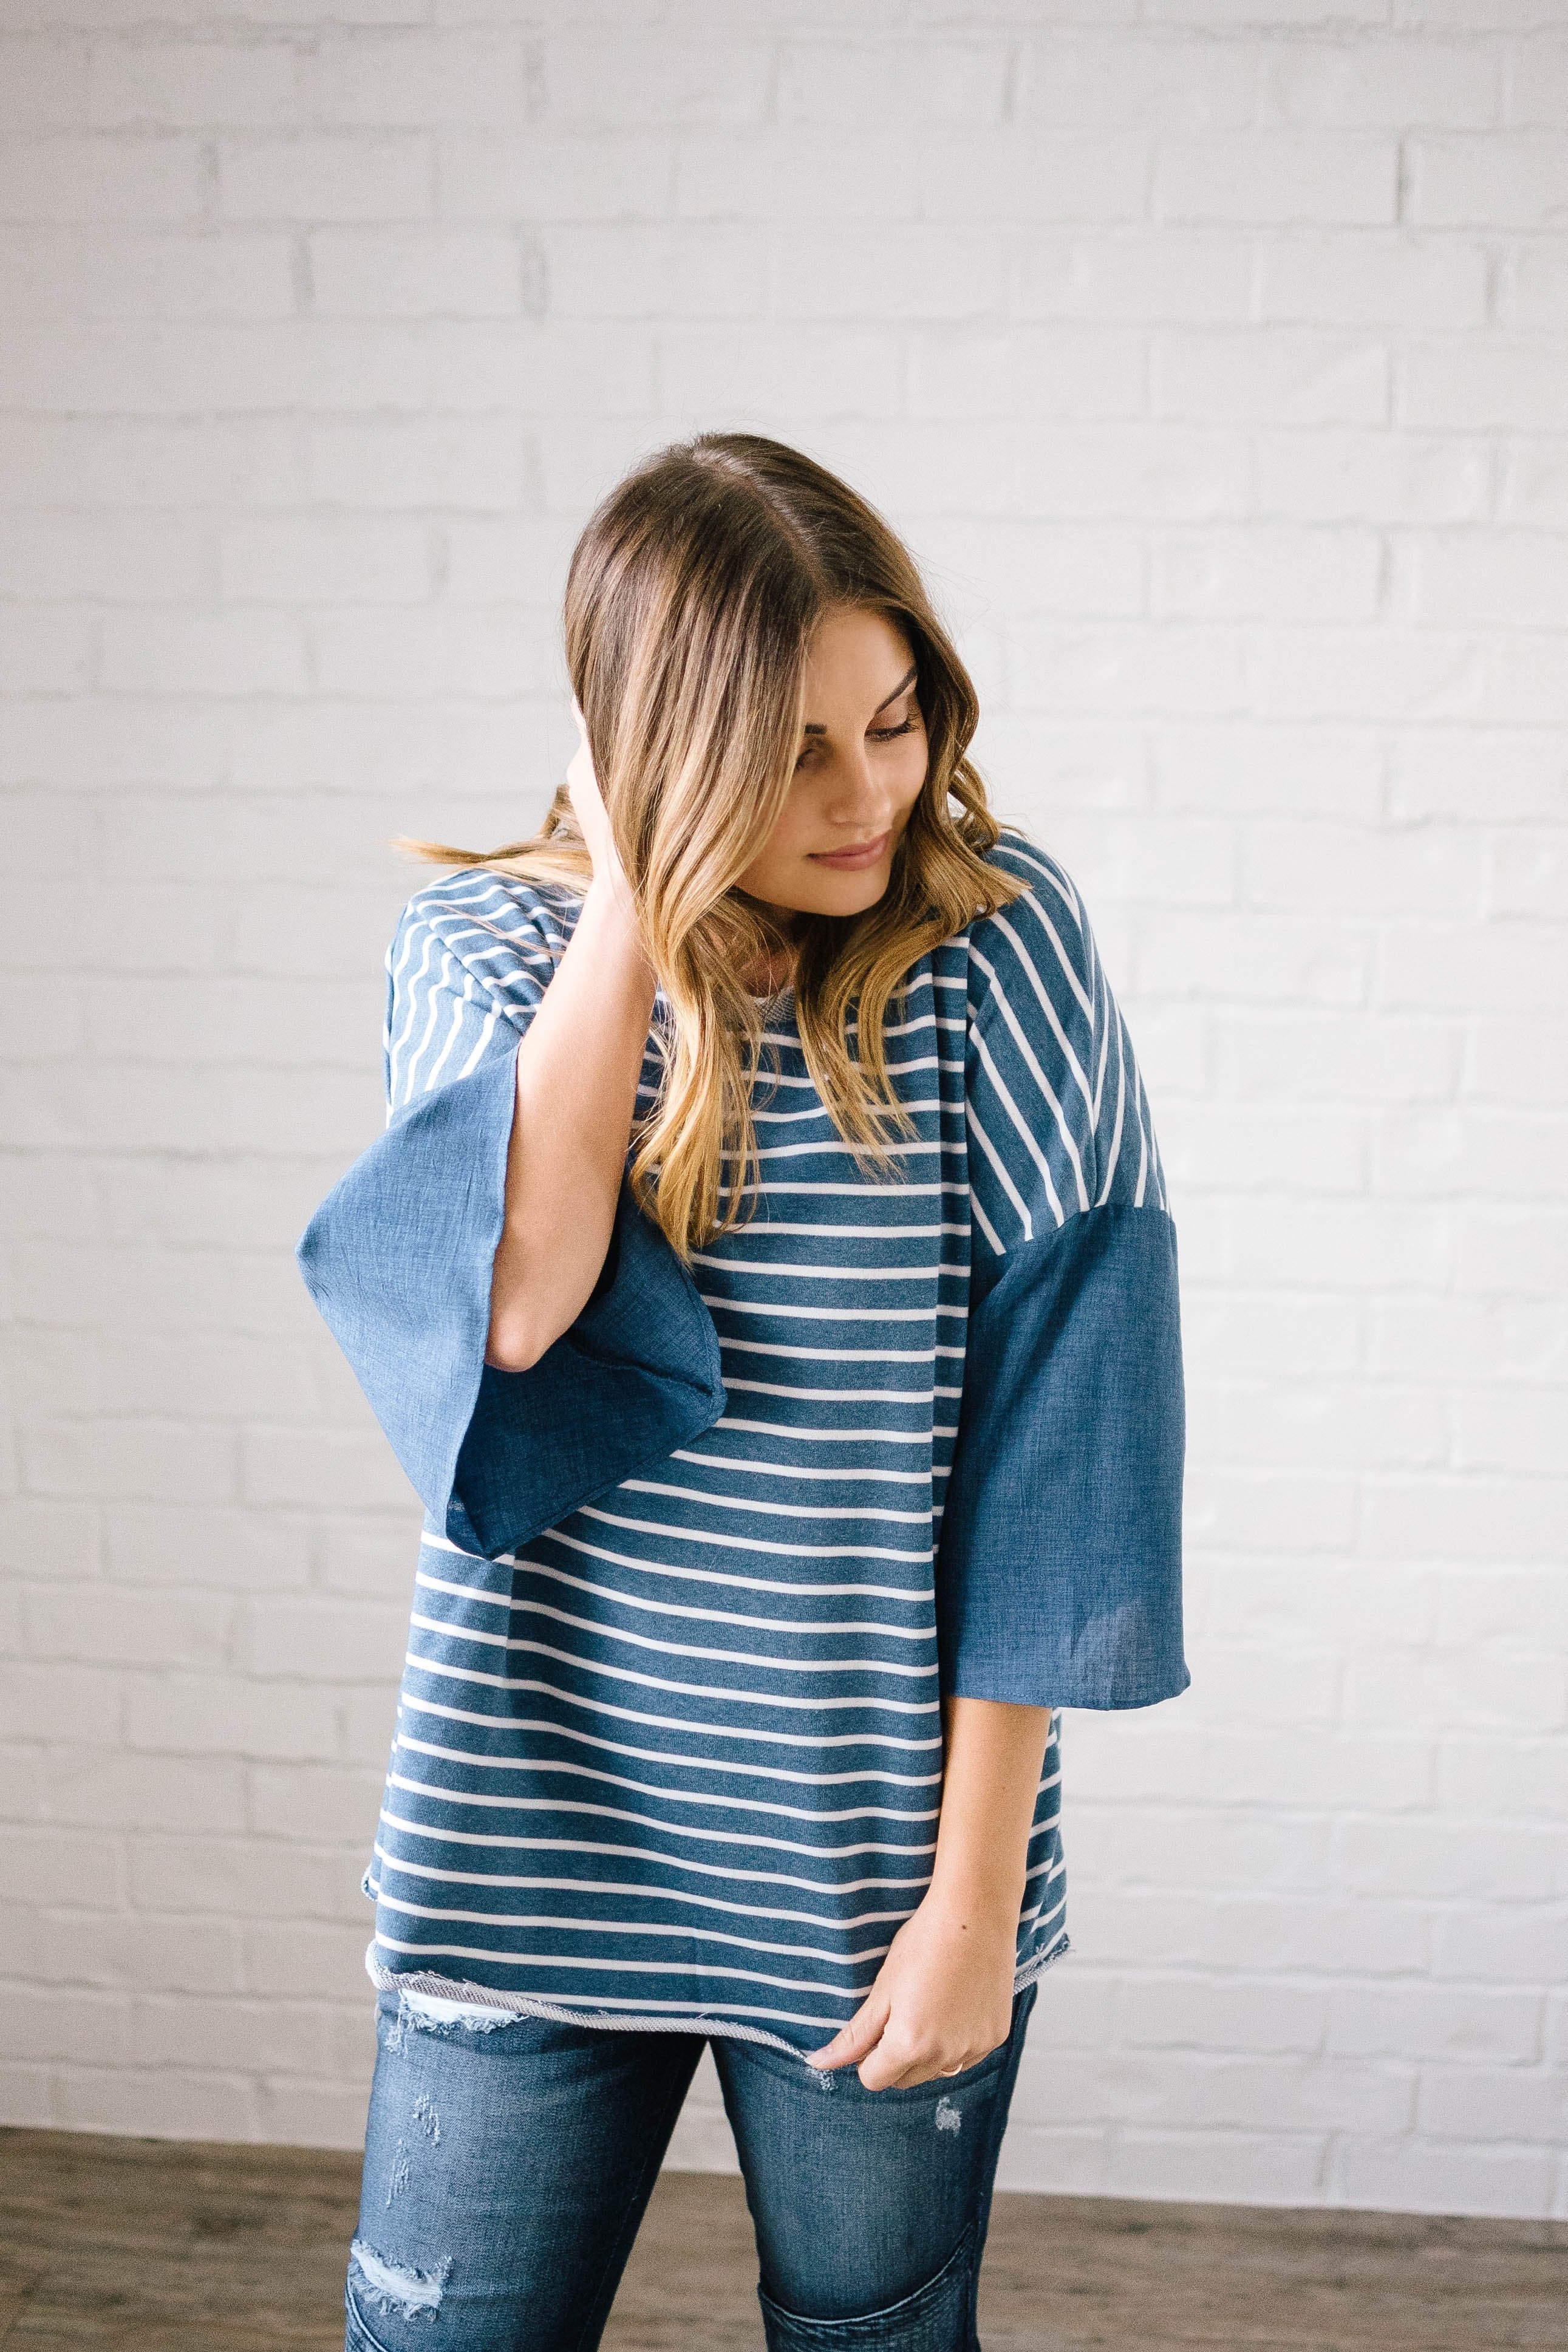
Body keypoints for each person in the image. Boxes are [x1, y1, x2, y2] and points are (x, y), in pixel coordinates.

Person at [296, 432, 1188, 2352]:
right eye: (792, 748)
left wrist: (970, 1903)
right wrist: (631, 882)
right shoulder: (485, 955)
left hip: (873, 1857)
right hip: (529, 1828)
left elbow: (1067, 1439)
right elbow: (522, 1304)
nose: (872, 792)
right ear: (657, 748)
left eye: (895, 719)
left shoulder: (993, 950)